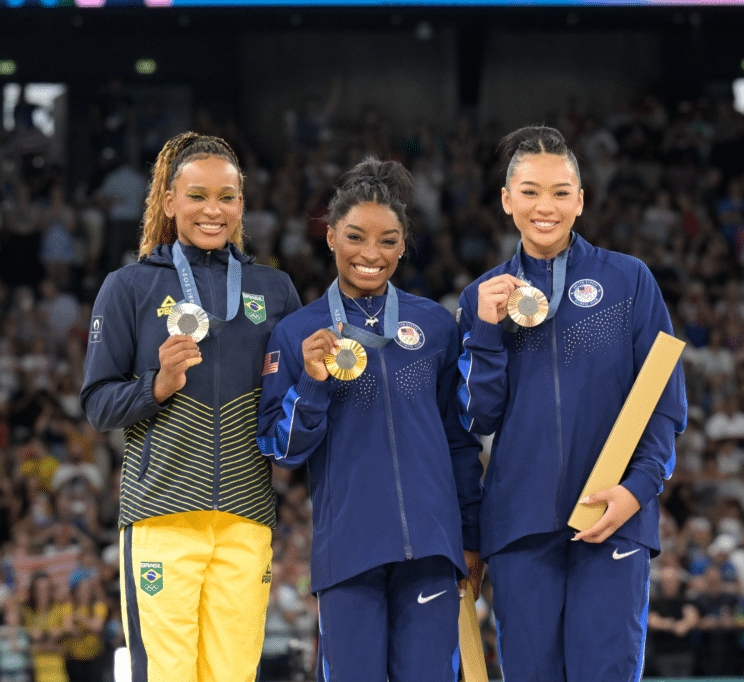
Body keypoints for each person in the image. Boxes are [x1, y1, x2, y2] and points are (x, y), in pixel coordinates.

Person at [456, 125, 687, 682]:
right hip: (520, 526)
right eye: (530, 191)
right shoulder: (483, 296)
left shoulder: (629, 280)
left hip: (613, 517)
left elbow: (662, 399)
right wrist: (485, 333)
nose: (546, 206)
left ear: (581, 201)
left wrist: (638, 490)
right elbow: (478, 417)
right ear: (508, 200)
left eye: (561, 192)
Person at [80, 132, 301, 682]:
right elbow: (98, 404)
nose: (213, 210)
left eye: (227, 196)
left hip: (246, 519)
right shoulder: (127, 287)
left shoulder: (274, 289)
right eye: (197, 195)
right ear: (169, 201)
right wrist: (157, 385)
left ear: (242, 204)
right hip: (160, 516)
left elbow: (292, 404)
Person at [256, 157, 483, 682]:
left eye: (388, 241)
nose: (371, 255)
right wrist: (313, 382)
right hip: (349, 551)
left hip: (431, 546)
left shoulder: (434, 325)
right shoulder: (298, 333)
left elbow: (460, 440)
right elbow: (283, 450)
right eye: (356, 237)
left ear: (404, 245)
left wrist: (469, 536)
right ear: (331, 235)